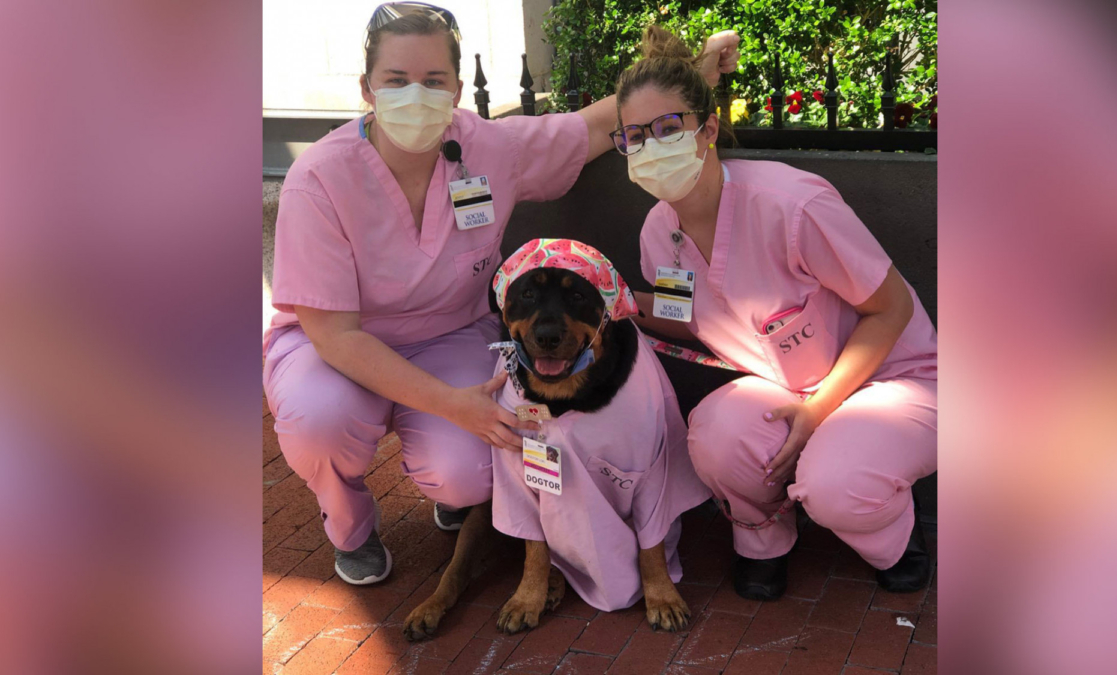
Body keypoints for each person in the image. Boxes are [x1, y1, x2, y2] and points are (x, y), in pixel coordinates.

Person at [264, 3, 739, 585]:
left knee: (479, 462)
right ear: (367, 88)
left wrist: (697, 71)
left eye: (433, 80)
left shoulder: (490, 147)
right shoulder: (317, 179)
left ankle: (455, 494)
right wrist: (452, 404)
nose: (416, 95)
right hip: (336, 348)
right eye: (396, 80)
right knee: (320, 424)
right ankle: (351, 528)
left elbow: (594, 126)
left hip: (450, 336)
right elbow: (336, 337)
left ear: (458, 89)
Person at [617, 26, 938, 600]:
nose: (651, 148)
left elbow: (891, 309)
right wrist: (610, 297)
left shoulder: (794, 206)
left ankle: (891, 533)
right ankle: (764, 540)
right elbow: (684, 314)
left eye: (667, 128)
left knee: (837, 486)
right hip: (783, 385)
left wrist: (818, 411)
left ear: (707, 129)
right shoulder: (658, 231)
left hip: (890, 376)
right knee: (714, 440)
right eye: (635, 136)